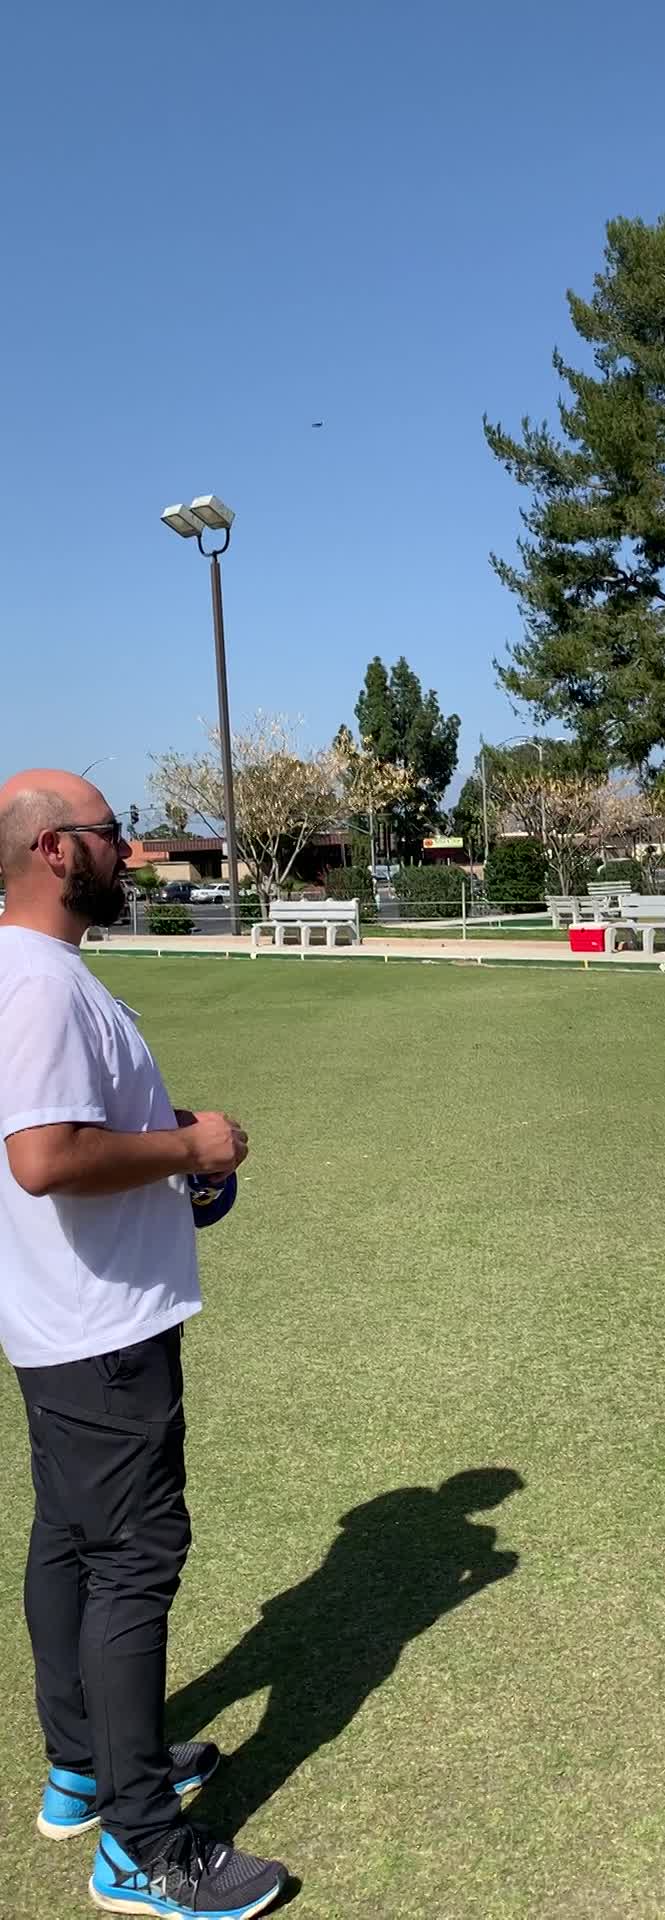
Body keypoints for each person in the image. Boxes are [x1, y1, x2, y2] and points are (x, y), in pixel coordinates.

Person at [0, 769, 287, 1919]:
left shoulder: (35, 973)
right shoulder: (38, 986)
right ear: (59, 851)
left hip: (68, 1318)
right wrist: (190, 1147)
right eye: (117, 836)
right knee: (131, 1558)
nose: (135, 854)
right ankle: (141, 1847)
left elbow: (66, 1134)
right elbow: (45, 1158)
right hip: (99, 1330)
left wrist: (171, 1150)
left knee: (71, 1541)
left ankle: (86, 1768)